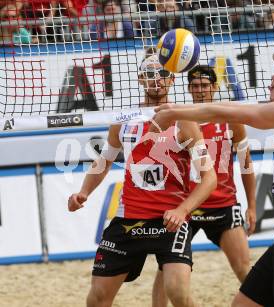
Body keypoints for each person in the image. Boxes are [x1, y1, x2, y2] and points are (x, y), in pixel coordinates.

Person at [153, 52, 274, 307]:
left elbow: (230, 112)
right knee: (243, 303)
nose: (272, 78)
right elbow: (235, 109)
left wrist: (174, 110)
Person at [67, 53, 217, 307]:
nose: (157, 80)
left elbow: (209, 178)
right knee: (97, 298)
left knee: (178, 292)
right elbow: (103, 161)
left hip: (169, 221)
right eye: (150, 74)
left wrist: (182, 210)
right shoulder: (123, 121)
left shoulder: (184, 120)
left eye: (164, 75)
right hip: (129, 218)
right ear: (139, 79)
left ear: (172, 81)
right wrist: (84, 192)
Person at [151, 65, 257, 307]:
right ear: (188, 89)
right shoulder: (179, 119)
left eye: (205, 86)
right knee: (165, 270)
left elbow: (246, 165)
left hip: (222, 205)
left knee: (243, 269)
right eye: (195, 86)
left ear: (214, 88)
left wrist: (251, 206)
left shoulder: (231, 119)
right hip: (185, 207)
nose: (200, 90)